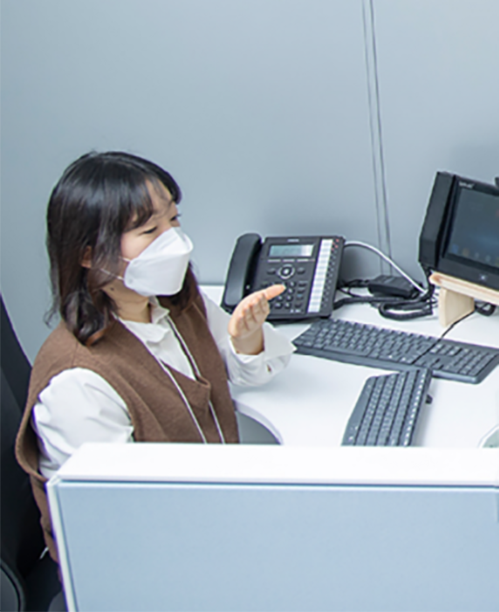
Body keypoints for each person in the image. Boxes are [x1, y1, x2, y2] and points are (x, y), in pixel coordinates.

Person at [15, 152, 294, 559]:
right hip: (154, 559)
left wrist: (247, 338)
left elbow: (253, 370)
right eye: (150, 230)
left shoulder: (175, 303)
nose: (174, 241)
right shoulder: (78, 382)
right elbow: (119, 526)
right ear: (89, 255)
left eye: (174, 220)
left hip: (210, 521)